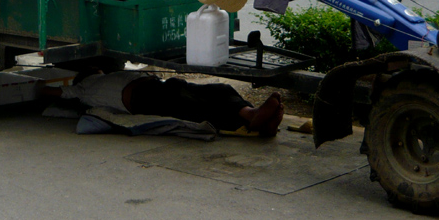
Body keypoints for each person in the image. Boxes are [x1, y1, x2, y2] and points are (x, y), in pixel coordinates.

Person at [47, 70, 285, 137]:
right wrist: (22, 87)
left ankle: (252, 114)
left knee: (218, 89)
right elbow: (58, 92)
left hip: (161, 87)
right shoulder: (83, 89)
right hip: (146, 100)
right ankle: (251, 118)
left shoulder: (107, 75)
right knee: (195, 105)